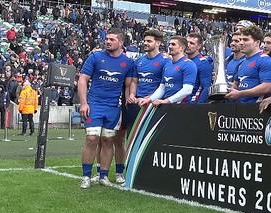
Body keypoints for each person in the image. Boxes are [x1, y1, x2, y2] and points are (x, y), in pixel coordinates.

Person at [78, 28, 135, 188]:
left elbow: (129, 85)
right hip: (94, 105)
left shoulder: (128, 63)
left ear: (121, 42)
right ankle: (86, 176)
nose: (108, 41)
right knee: (91, 138)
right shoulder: (95, 57)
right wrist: (84, 103)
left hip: (113, 108)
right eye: (107, 39)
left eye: (112, 39)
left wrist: (130, 97)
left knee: (108, 140)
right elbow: (83, 80)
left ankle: (103, 176)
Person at [120, 30, 168, 185]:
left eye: (149, 41)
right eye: (145, 41)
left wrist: (151, 98)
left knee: (152, 139)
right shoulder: (139, 61)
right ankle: (130, 173)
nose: (145, 43)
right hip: (137, 104)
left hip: (153, 105)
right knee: (132, 138)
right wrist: (132, 94)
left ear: (158, 43)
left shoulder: (164, 62)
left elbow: (164, 85)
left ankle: (151, 174)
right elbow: (134, 81)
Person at [226, 26, 271, 103]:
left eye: (245, 40)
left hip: (255, 110)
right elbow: (235, 85)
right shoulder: (241, 62)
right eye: (240, 40)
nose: (241, 43)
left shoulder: (265, 60)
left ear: (257, 43)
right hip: (238, 109)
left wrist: (240, 94)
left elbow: (267, 87)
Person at [148, 36, 197, 107]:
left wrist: (167, 101)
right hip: (166, 105)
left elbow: (187, 90)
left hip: (181, 107)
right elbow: (162, 88)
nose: (170, 47)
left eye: (173, 44)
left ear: (182, 48)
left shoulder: (189, 64)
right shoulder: (167, 64)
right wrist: (149, 99)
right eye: (169, 44)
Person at [186, 33, 213, 104]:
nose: (188, 45)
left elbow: (206, 87)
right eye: (187, 42)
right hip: (180, 102)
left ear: (199, 46)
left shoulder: (203, 63)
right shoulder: (183, 61)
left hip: (192, 103)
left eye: (191, 43)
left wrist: (199, 105)